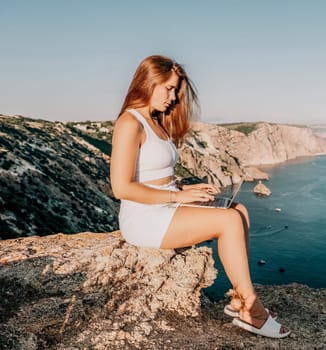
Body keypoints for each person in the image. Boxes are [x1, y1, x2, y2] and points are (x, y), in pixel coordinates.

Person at [110, 55, 290, 338]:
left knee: (239, 209)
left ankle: (237, 298)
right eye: (168, 88)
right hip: (143, 217)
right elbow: (122, 188)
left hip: (164, 205)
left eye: (176, 90)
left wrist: (185, 190)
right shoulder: (129, 123)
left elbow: (157, 176)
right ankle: (251, 309)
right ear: (147, 82)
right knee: (228, 221)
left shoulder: (155, 121)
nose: (173, 97)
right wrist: (178, 196)